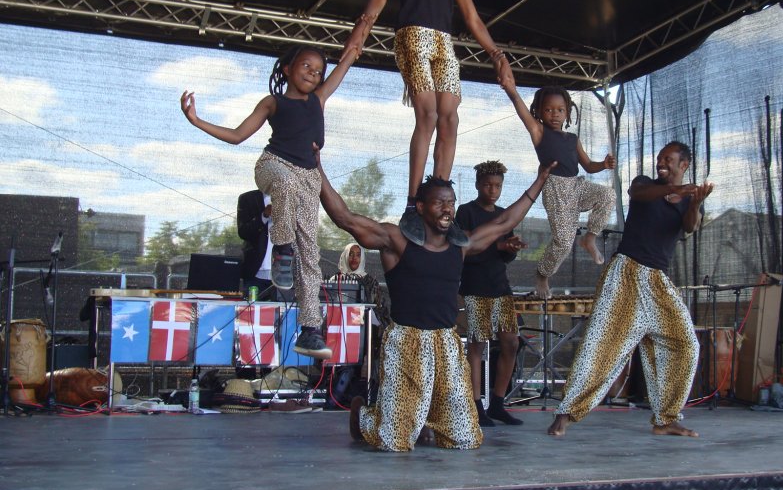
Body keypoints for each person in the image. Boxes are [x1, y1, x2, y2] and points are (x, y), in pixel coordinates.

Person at [316, 152, 553, 452]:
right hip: (406, 342)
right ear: (421, 207)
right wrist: (316, 167)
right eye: (440, 203)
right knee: (393, 443)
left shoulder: (461, 245)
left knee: (466, 438)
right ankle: (365, 418)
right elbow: (345, 218)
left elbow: (505, 221)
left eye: (451, 203)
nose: (447, 209)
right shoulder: (395, 240)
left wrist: (540, 180)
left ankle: (423, 421)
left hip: (446, 342)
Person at [343, 0, 515, 247]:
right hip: (412, 36)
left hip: (443, 41)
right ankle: (412, 203)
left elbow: (471, 16)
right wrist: (362, 29)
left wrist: (497, 55)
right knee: (429, 113)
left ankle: (440, 196)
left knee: (450, 117)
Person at [181, 43, 356, 359]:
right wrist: (196, 120)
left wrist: (365, 26)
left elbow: (349, 56)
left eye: (318, 71)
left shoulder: (318, 99)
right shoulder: (273, 102)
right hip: (273, 165)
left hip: (308, 177)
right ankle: (282, 249)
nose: (313, 74)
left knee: (310, 255)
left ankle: (310, 330)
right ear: (287, 68)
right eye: (306, 66)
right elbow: (237, 135)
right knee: (285, 184)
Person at [547, 141, 713, 438]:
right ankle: (566, 413)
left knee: (684, 344)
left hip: (657, 281)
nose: (662, 163)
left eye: (669, 159)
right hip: (626, 274)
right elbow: (638, 194)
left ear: (684, 165)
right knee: (602, 345)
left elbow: (690, 227)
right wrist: (676, 189)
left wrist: (694, 202)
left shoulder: (689, 200)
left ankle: (665, 419)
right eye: (660, 158)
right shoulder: (645, 184)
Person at [500, 83, 616, 298]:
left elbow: (589, 165)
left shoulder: (572, 139)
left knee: (608, 195)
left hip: (577, 186)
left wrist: (603, 164)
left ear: (568, 113)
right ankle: (542, 274)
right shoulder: (539, 132)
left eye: (560, 110)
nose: (555, 114)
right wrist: (511, 91)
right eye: (548, 109)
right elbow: (521, 111)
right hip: (556, 191)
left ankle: (589, 238)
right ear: (539, 112)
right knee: (563, 242)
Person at [455, 160, 526, 427]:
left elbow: (504, 257)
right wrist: (499, 246)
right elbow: (464, 252)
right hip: (475, 287)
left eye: (497, 185)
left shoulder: (504, 214)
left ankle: (497, 403)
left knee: (511, 342)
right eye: (487, 185)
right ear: (477, 185)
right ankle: (476, 406)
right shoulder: (466, 212)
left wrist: (511, 249)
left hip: (500, 287)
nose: (493, 190)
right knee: (478, 344)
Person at [236, 189, 273, 298]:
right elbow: (243, 232)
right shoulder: (248, 198)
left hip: (283, 274)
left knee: (284, 307)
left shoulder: (291, 198)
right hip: (255, 273)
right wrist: (264, 216)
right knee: (251, 307)